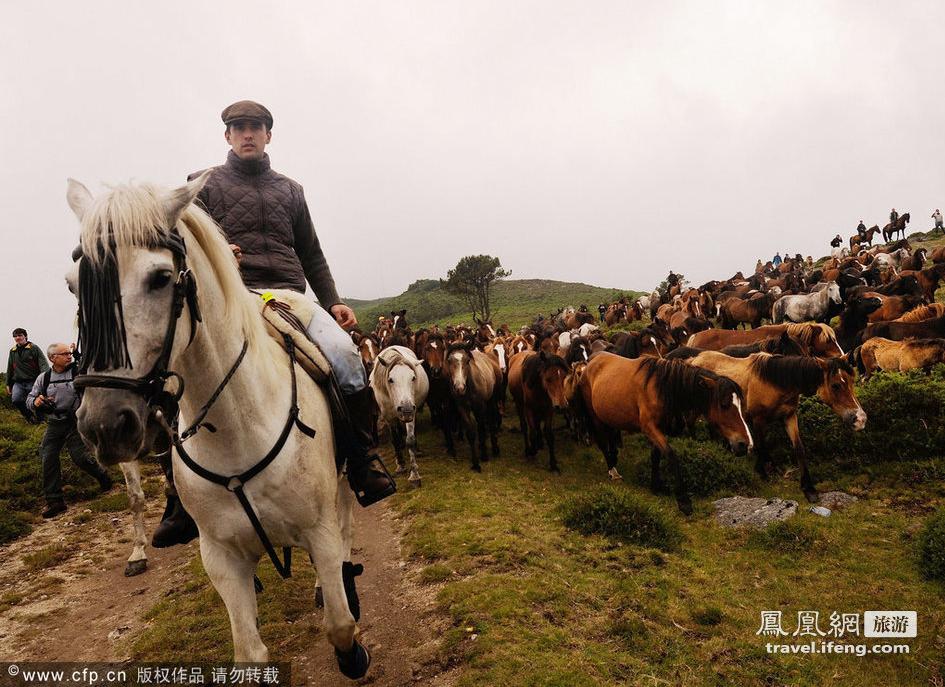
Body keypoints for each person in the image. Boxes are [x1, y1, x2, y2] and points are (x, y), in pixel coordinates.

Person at [151, 100, 396, 548]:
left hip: (287, 296)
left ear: (268, 135)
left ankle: (363, 460)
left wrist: (335, 302)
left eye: (256, 127)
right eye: (239, 128)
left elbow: (312, 253)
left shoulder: (291, 191)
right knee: (171, 376)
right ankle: (176, 495)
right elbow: (180, 243)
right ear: (226, 136)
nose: (248, 134)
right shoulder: (199, 186)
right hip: (229, 298)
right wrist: (220, 255)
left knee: (345, 359)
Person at [27, 343, 112, 518]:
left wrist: (80, 355)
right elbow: (30, 398)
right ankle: (55, 501)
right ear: (52, 358)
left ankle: (103, 476)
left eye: (69, 353)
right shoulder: (43, 378)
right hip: (54, 424)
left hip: (76, 422)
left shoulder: (78, 372)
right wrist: (36, 402)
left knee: (79, 457)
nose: (68, 356)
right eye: (64, 354)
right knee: (47, 457)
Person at [6, 328, 48, 423]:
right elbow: (10, 368)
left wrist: (44, 379)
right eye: (15, 336)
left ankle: (41, 420)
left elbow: (43, 364)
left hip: (33, 381)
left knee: (38, 400)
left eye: (20, 335)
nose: (18, 338)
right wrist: (8, 383)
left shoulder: (34, 348)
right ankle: (30, 417)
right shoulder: (13, 351)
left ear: (25, 336)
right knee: (16, 400)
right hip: (18, 382)